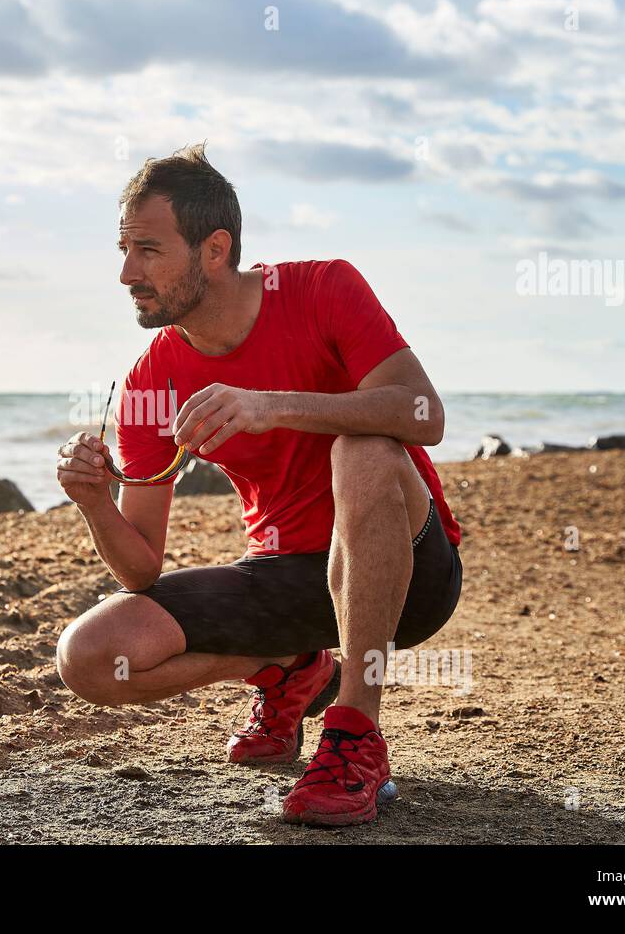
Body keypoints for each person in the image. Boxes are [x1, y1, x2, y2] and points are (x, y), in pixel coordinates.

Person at [54, 144, 462, 826]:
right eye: (123, 249)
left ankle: (356, 733)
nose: (127, 272)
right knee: (90, 657)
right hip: (285, 579)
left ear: (215, 250)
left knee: (362, 449)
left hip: (410, 576)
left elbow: (424, 413)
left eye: (149, 250)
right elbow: (141, 568)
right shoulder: (150, 380)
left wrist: (273, 403)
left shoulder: (322, 288)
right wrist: (94, 503)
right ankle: (286, 667)